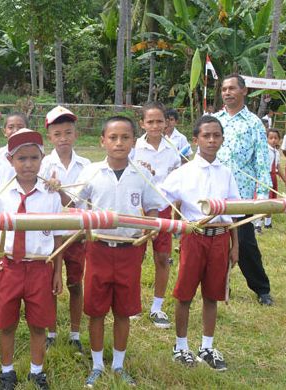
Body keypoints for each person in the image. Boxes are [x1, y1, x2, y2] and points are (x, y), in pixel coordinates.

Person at [75, 117, 164, 388]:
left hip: (129, 252)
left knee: (124, 311)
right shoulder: (90, 173)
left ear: (133, 142)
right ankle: (98, 364)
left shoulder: (142, 174)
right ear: (102, 140)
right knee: (96, 310)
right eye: (112, 137)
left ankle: (118, 364)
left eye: (125, 137)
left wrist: (150, 227)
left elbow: (152, 208)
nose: (118, 143)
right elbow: (75, 206)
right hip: (98, 249)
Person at [0, 129, 64, 390]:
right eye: (21, 159)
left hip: (41, 267)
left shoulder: (51, 195)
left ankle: (36, 372)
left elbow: (60, 235)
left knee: (39, 323)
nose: (28, 164)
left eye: (33, 158)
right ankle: (7, 372)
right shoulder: (1, 194)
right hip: (10, 267)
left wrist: (57, 271)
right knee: (7, 323)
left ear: (42, 159)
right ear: (10, 160)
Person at [160, 115, 240, 371]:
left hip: (220, 238)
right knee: (184, 293)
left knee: (212, 294)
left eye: (216, 135)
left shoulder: (226, 173)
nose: (212, 140)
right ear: (195, 140)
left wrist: (234, 244)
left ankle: (207, 346)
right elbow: (160, 198)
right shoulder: (183, 173)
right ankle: (180, 346)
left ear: (222, 140)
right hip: (194, 238)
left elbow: (233, 210)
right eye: (206, 135)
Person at [213, 74, 274, 306]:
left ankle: (262, 289)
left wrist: (263, 197)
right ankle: (218, 285)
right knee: (215, 241)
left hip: (242, 195)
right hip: (214, 194)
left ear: (244, 91)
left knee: (246, 243)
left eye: (232, 88)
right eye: (224, 89)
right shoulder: (213, 120)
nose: (227, 93)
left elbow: (261, 162)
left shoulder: (253, 123)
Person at [39, 106, 90, 352]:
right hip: (50, 235)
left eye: (68, 133)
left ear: (75, 135)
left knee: (75, 283)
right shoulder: (42, 164)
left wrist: (60, 191)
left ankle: (75, 332)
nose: (63, 139)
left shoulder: (87, 165)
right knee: (50, 282)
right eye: (57, 134)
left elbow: (84, 202)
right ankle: (50, 330)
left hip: (76, 235)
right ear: (49, 136)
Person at [132, 102, 181, 329]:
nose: (154, 125)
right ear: (142, 123)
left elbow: (176, 184)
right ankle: (132, 304)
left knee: (162, 257)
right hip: (137, 210)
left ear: (167, 122)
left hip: (163, 210)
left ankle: (157, 307)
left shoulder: (173, 149)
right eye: (149, 121)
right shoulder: (134, 148)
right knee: (135, 257)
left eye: (159, 121)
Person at [263, 128, 286, 229]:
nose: (273, 140)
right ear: (266, 139)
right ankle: (257, 224)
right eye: (270, 138)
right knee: (263, 200)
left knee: (271, 200)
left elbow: (278, 167)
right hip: (265, 176)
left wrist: (285, 181)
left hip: (273, 176)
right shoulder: (264, 150)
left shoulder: (276, 152)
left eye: (275, 138)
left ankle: (268, 223)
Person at [0, 112, 29, 185]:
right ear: (4, 132)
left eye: (20, 127)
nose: (15, 131)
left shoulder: (33, 154)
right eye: (10, 127)